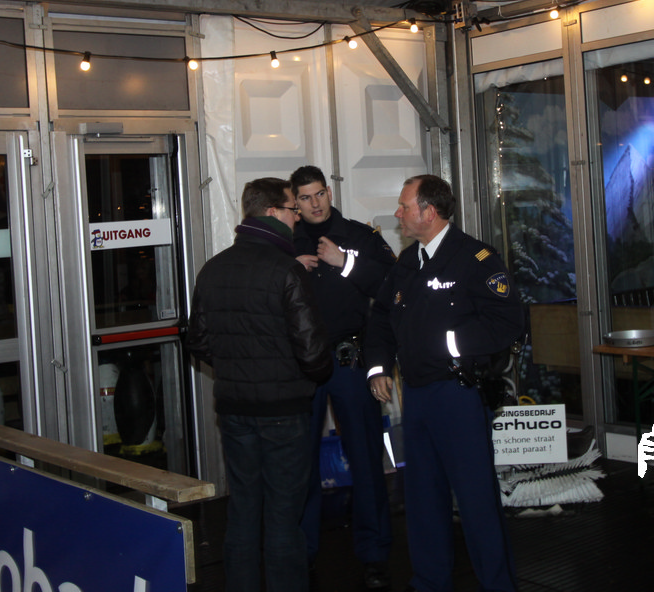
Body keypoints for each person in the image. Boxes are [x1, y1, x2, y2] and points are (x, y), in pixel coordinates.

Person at [363, 174, 525, 592]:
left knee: (475, 500)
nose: (398, 214)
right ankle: (429, 582)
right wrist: (378, 367)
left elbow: (508, 321)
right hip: (416, 396)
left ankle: (498, 586)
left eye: (404, 206)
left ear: (429, 212)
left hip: (458, 395)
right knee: (422, 499)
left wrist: (448, 345)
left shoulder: (475, 258)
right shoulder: (407, 262)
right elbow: (381, 317)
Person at [187, 178, 333, 592]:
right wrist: (306, 374)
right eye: (292, 209)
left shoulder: (213, 268)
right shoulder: (286, 270)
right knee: (284, 518)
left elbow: (197, 341)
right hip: (283, 411)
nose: (297, 216)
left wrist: (235, 365)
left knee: (243, 512)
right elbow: (313, 353)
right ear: (272, 212)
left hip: (234, 409)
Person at [289, 166, 397, 589]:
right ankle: (303, 554)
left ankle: (375, 555)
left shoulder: (358, 236)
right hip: (302, 365)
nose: (315, 203)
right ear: (294, 203)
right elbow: (262, 288)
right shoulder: (285, 242)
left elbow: (391, 286)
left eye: (320, 194)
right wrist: (290, 268)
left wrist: (345, 261)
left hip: (350, 361)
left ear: (329, 193)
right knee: (300, 464)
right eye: (305, 197)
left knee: (366, 459)